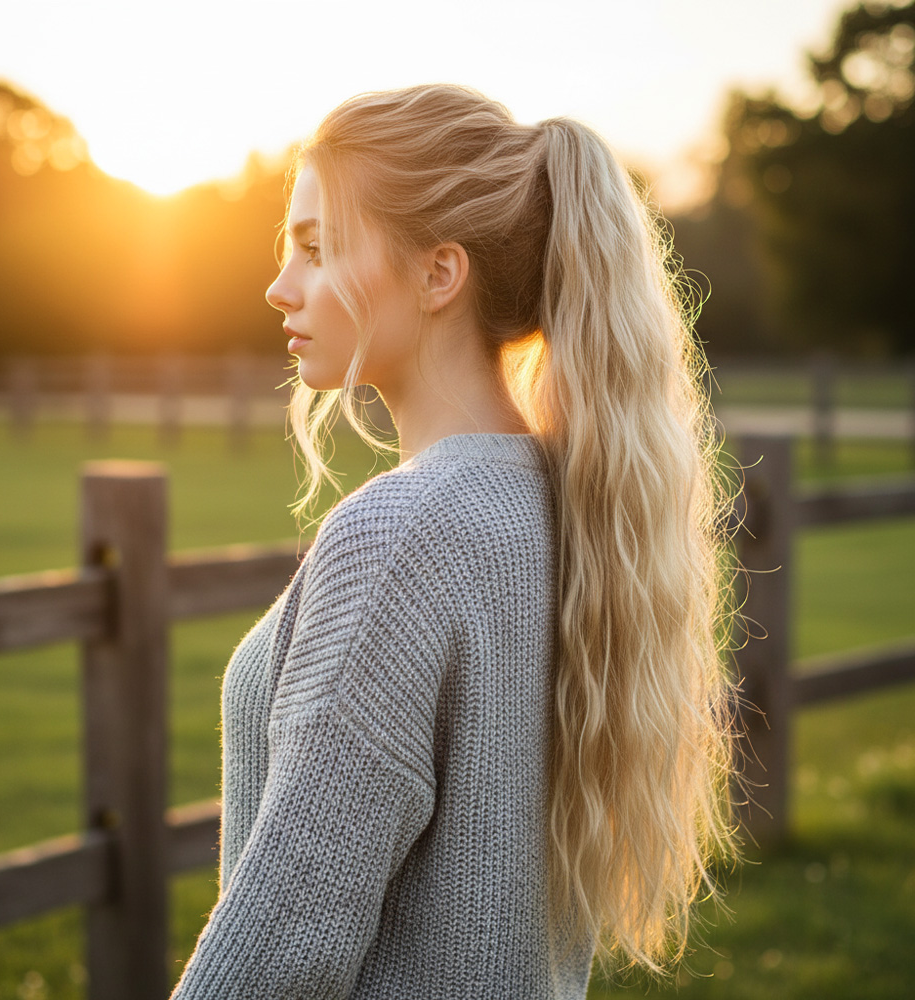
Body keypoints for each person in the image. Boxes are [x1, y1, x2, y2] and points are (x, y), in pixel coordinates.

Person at [171, 84, 739, 999]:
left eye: (318, 250)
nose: (281, 287)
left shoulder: (404, 534)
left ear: (441, 274)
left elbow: (278, 954)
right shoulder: (567, 502)